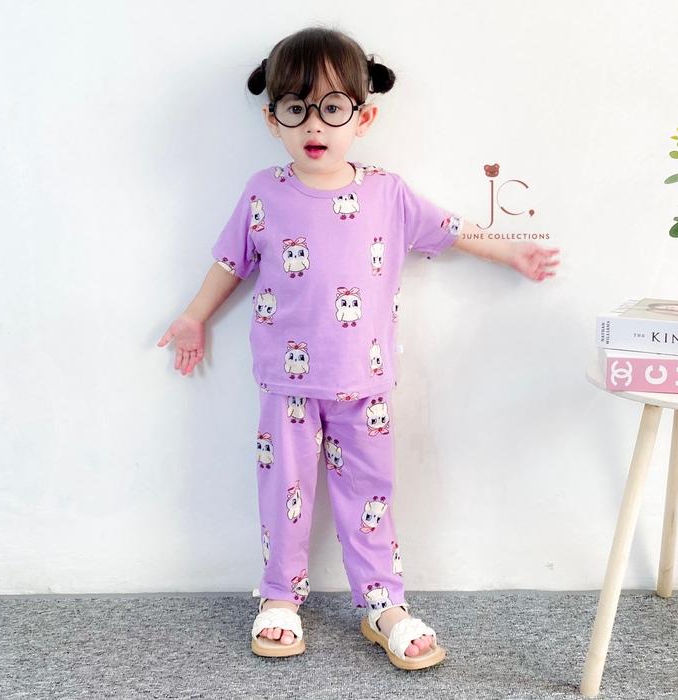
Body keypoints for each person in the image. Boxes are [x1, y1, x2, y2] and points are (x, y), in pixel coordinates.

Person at [157, 25, 560, 670]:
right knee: (284, 493)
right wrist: (193, 317)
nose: (314, 124)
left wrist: (510, 252)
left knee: (370, 495)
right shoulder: (264, 192)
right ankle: (280, 597)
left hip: (365, 383)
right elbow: (230, 262)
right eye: (296, 109)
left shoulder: (387, 193)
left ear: (363, 117)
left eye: (332, 107)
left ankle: (383, 604)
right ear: (273, 119)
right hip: (286, 384)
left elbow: (452, 228)